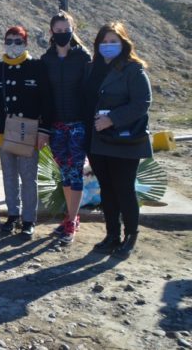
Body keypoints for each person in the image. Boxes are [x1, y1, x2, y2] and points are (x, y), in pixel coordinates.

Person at [84, 22, 152, 258]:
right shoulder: (93, 67)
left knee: (124, 189)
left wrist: (112, 119)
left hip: (124, 140)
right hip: (98, 140)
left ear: (123, 43)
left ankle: (130, 235)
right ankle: (112, 234)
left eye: (114, 41)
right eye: (104, 41)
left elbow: (142, 103)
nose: (108, 46)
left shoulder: (134, 69)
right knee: (107, 190)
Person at [0, 26, 53, 240]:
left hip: (28, 133)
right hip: (3, 133)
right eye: (9, 40)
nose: (13, 44)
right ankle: (13, 215)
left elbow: (47, 101)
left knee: (28, 177)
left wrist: (44, 131)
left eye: (18, 40)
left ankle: (29, 219)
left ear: (26, 43)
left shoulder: (36, 67)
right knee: (9, 176)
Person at [40, 11, 91, 244]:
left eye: (66, 29)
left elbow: (91, 90)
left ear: (73, 29)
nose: (62, 34)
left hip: (78, 124)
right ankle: (70, 215)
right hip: (56, 125)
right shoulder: (46, 59)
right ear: (51, 32)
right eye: (57, 30)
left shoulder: (83, 58)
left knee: (76, 171)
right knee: (65, 174)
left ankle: (71, 220)